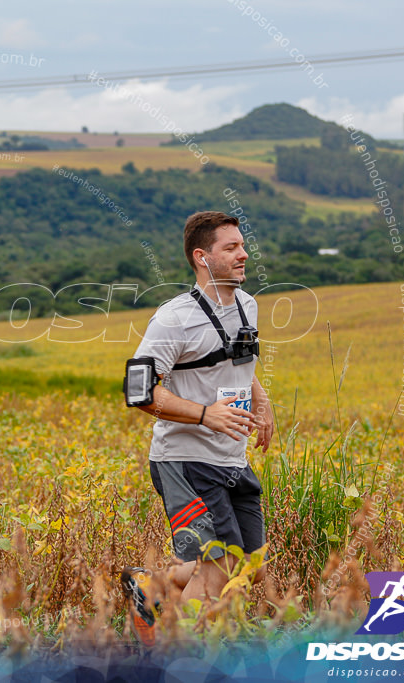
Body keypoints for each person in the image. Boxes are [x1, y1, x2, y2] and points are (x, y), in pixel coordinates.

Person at [123, 210, 274, 643]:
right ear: (202, 257)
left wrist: (262, 404)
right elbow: (141, 392)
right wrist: (207, 414)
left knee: (251, 567)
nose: (245, 254)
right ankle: (168, 655)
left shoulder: (248, 304)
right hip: (184, 462)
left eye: (243, 245)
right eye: (232, 248)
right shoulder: (173, 319)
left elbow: (239, 359)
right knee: (220, 567)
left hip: (231, 458)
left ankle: (152, 587)